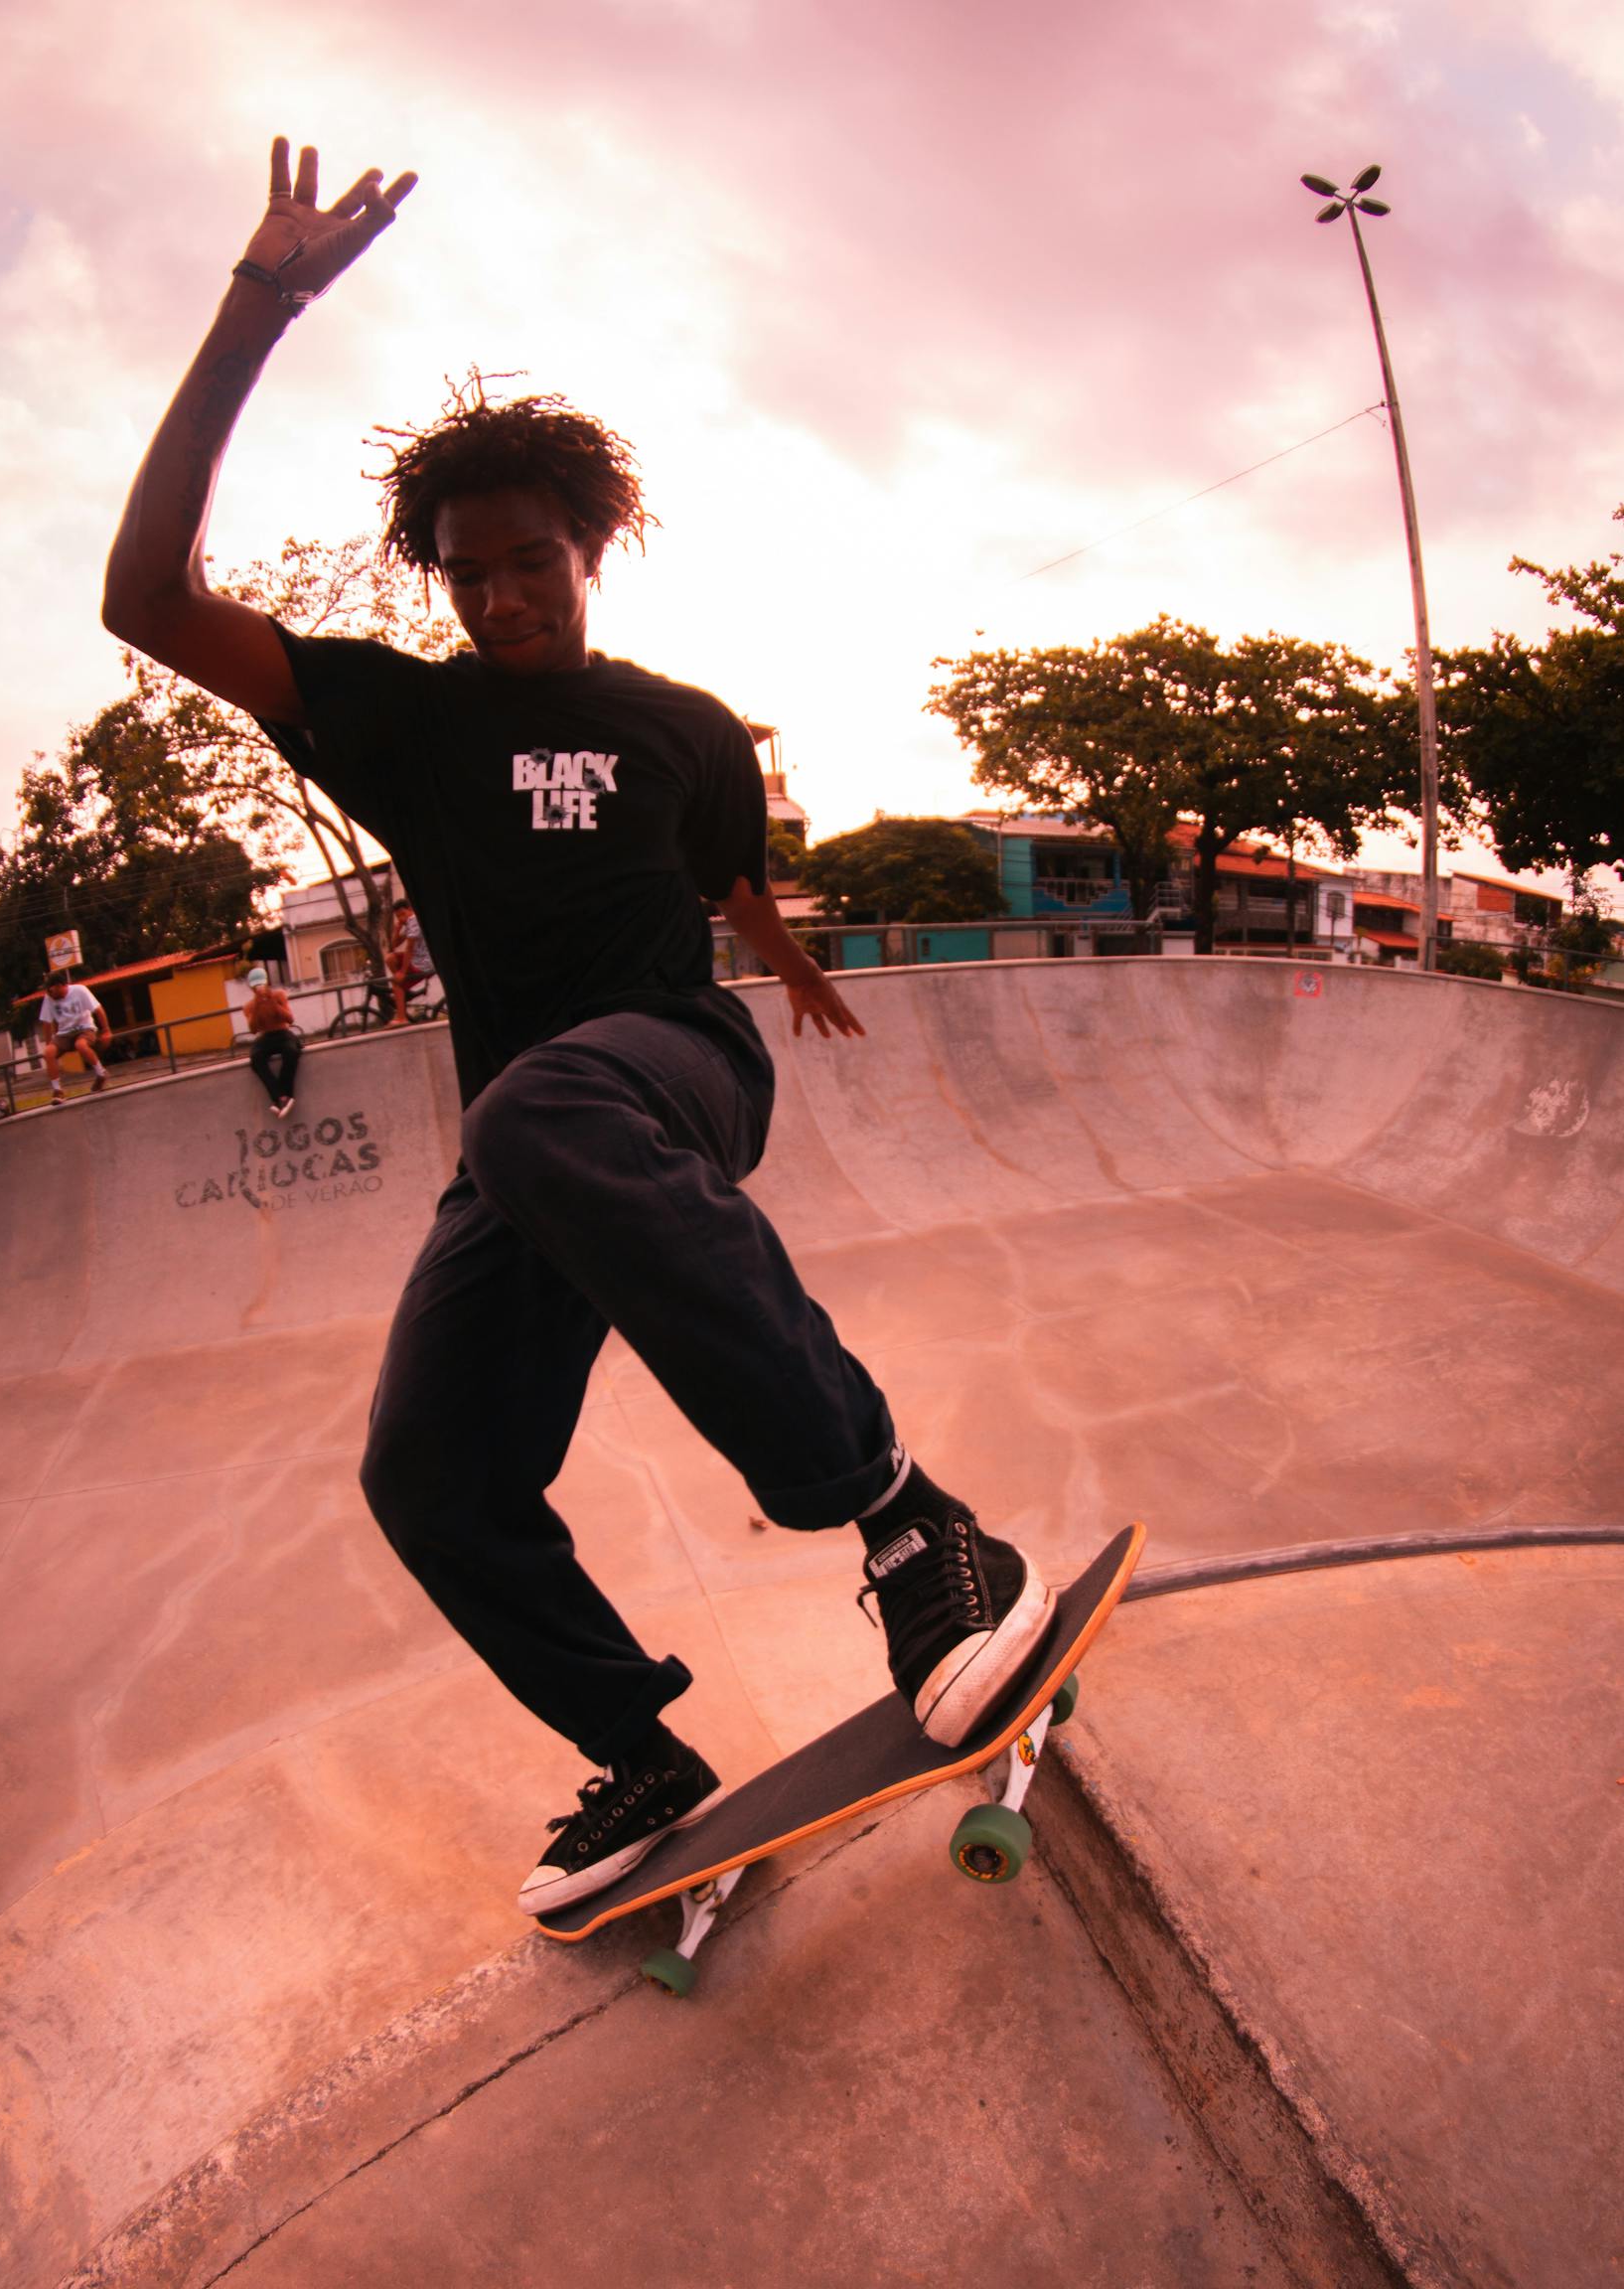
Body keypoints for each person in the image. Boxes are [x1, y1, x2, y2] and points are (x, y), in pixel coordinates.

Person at [101, 137, 1057, 1917]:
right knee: (427, 1471)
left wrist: (785, 957)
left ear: (590, 548)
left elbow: (727, 874)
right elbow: (143, 600)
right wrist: (256, 309)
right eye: (466, 578)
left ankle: (914, 1522)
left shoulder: (688, 727)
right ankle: (637, 1748)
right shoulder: (395, 720)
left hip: (672, 1074)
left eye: (529, 565)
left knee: (543, 1109)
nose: (500, 602)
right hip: (527, 1152)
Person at [39, 972, 110, 1102]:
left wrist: (106, 1030)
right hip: (64, 1034)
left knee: (81, 1045)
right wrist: (49, 1042)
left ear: (60, 986)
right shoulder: (48, 998)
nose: (49, 993)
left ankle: (101, 1074)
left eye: (51, 990)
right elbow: (46, 1022)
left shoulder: (80, 990)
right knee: (48, 1053)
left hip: (85, 1029)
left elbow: (98, 1009)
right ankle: (57, 1091)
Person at [242, 965, 303, 1115]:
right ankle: (279, 1096)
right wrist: (257, 1005)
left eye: (261, 984)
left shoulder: (279, 996)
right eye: (256, 986)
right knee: (256, 1059)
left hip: (283, 1032)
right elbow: (253, 1029)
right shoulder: (249, 1006)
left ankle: (284, 1094)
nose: (259, 988)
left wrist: (272, 1003)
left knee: (291, 1051)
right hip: (266, 1037)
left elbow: (289, 1019)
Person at [386, 897, 436, 1024]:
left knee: (396, 983)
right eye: (398, 916)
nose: (401, 918)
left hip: (424, 964)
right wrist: (396, 931)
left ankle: (402, 1018)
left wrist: (402, 972)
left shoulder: (414, 921)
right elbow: (393, 947)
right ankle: (403, 990)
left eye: (403, 914)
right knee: (390, 958)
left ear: (410, 910)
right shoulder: (408, 923)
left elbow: (409, 948)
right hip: (416, 961)